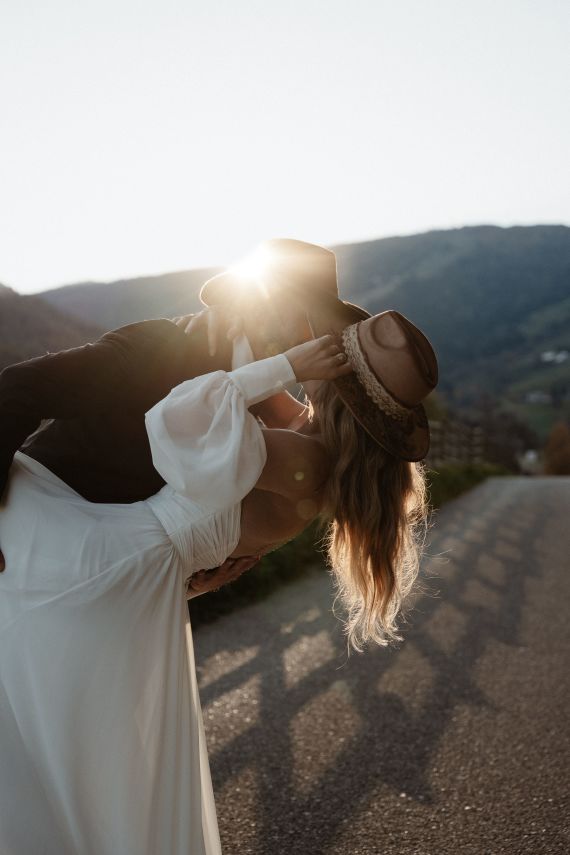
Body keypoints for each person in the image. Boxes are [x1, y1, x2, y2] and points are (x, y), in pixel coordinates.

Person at [0, 306, 437, 854]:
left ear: (334, 390)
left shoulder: (299, 457)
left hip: (101, 555)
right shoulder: (315, 465)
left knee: (42, 755)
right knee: (80, 763)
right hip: (138, 581)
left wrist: (279, 365)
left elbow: (178, 421)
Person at [0, 238, 370, 591]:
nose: (316, 339)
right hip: (33, 517)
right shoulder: (159, 345)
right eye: (314, 324)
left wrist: (195, 575)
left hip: (100, 566)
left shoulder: (257, 390)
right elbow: (17, 387)